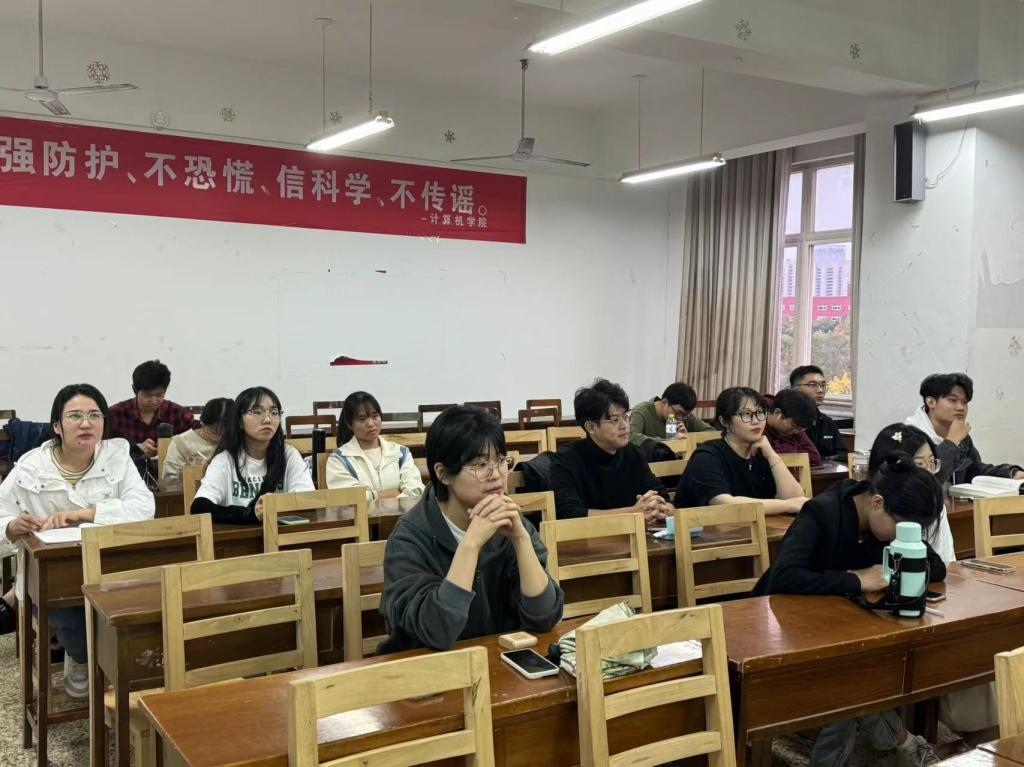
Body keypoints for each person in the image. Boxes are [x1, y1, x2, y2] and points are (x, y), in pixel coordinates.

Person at [753, 452, 945, 767]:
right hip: (778, 627)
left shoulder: (892, 523)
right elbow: (784, 577)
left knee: (860, 673)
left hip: (838, 628)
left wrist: (906, 557)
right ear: (877, 503)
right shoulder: (823, 511)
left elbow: (936, 568)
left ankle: (901, 746)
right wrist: (857, 579)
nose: (902, 537)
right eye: (900, 528)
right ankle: (904, 745)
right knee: (853, 680)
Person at [0, 384, 155, 698]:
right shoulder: (32, 466)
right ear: (57, 426)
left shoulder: (116, 455)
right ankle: (82, 658)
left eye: (94, 415)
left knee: (143, 606)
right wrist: (12, 527)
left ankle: (124, 665)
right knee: (70, 614)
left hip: (111, 566)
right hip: (52, 578)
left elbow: (144, 508)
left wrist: (84, 514)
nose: (86, 424)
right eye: (75, 416)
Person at [379, 406, 564, 652]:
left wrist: (521, 540)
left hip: (500, 661)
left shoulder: (510, 522)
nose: (496, 475)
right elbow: (437, 631)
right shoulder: (409, 537)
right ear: (443, 473)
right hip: (431, 668)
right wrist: (470, 544)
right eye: (480, 464)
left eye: (501, 461)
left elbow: (545, 618)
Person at [550, 379, 674, 522]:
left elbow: (659, 493)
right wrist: (632, 514)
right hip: (590, 535)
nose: (624, 425)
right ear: (591, 427)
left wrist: (659, 507)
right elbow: (569, 514)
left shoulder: (633, 452)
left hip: (639, 533)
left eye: (626, 416)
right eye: (615, 420)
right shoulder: (566, 460)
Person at [674, 387, 808, 513]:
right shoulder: (707, 456)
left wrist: (772, 455)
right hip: (703, 529)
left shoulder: (762, 452)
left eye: (760, 413)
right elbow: (724, 503)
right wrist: (786, 505)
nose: (756, 421)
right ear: (724, 421)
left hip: (753, 527)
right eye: (746, 414)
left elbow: (797, 499)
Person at [191, 387, 313, 524]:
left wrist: (276, 505)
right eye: (257, 412)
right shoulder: (225, 460)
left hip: (282, 534)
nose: (267, 419)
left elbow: (308, 499)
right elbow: (200, 507)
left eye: (274, 412)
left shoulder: (288, 455)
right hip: (240, 536)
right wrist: (250, 514)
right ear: (239, 421)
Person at [905, 372, 1023, 485]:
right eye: (953, 400)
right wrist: (951, 442)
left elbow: (975, 472)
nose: (961, 407)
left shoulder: (961, 437)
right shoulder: (908, 438)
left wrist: (1011, 473)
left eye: (964, 402)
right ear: (931, 402)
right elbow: (923, 483)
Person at [867, 424, 954, 563]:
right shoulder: (872, 510)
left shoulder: (932, 504)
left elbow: (945, 560)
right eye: (919, 464)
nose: (929, 472)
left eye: (931, 462)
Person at [326, 391, 424, 501]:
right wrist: (391, 494)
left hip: (403, 512)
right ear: (349, 424)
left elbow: (416, 490)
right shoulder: (339, 460)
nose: (371, 424)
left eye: (375, 416)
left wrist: (374, 497)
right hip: (362, 514)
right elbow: (349, 498)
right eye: (362, 419)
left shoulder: (401, 453)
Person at [108, 359, 196, 461]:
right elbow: (101, 448)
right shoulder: (115, 414)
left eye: (159, 395)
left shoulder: (176, 413)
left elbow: (200, 434)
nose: (153, 401)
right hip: (128, 469)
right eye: (147, 395)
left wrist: (171, 448)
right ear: (135, 390)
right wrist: (134, 449)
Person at [161, 397, 233, 491]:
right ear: (203, 422)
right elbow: (170, 483)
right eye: (213, 429)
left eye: (224, 430)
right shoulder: (181, 443)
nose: (218, 434)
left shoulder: (236, 442)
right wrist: (193, 474)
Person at [790, 365, 848, 461]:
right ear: (795, 389)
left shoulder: (827, 422)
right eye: (813, 385)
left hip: (827, 470)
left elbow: (843, 454)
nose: (820, 390)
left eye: (823, 385)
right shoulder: (787, 421)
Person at [628, 382, 715, 447]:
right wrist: (669, 441)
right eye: (678, 413)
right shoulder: (641, 411)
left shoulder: (684, 416)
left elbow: (712, 433)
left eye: (685, 415)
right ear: (665, 402)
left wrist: (688, 438)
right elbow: (631, 437)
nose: (680, 418)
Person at [763, 388, 822, 466]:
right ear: (777, 413)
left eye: (801, 429)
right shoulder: (755, 422)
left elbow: (815, 458)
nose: (796, 432)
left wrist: (785, 449)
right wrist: (794, 449)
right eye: (793, 426)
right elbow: (762, 459)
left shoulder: (796, 427)